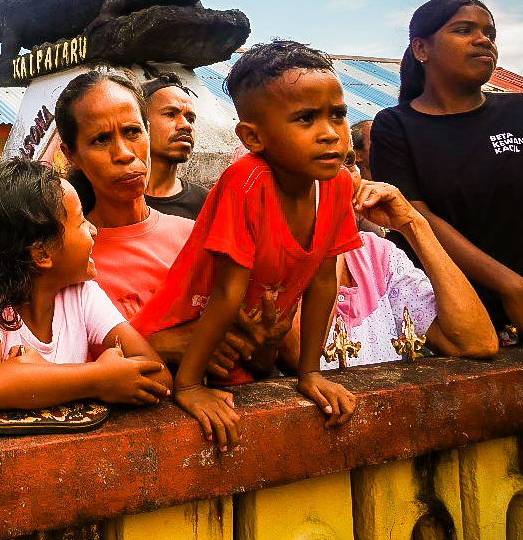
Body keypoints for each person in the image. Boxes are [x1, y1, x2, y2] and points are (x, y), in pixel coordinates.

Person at [133, 41, 361, 451]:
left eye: (338, 115)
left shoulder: (337, 184)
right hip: (175, 348)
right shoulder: (247, 181)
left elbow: (325, 279)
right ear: (253, 137)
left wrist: (310, 372)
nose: (330, 133)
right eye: (306, 119)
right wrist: (188, 384)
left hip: (245, 355)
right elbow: (228, 290)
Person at [372, 0, 523, 345]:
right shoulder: (395, 126)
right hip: (440, 314)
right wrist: (509, 284)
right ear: (422, 49)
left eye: (490, 33)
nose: (483, 40)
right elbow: (416, 216)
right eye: (464, 30)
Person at [0, 158, 172, 409]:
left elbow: (159, 376)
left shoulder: (82, 294)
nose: (93, 230)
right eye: (80, 221)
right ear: (42, 254)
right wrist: (99, 378)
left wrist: (44, 374)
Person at [289, 152, 498, 369]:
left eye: (349, 163)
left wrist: (413, 224)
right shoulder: (273, 254)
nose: (348, 178)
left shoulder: (376, 254)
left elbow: (476, 342)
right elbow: (298, 356)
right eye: (324, 162)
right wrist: (335, 229)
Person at [52, 70, 206, 358]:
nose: (123, 153)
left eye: (133, 132)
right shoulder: (66, 259)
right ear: (70, 154)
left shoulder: (194, 236)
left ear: (147, 131)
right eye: (101, 139)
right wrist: (157, 345)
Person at [142, 73, 209, 219]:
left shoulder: (205, 203)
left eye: (190, 119)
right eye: (170, 114)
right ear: (140, 123)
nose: (186, 125)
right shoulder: (112, 199)